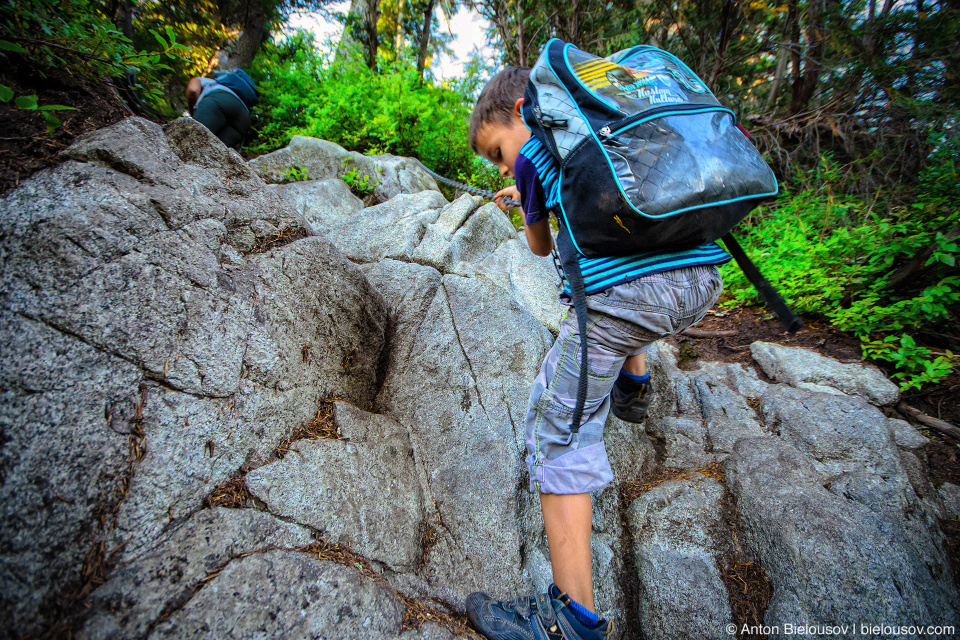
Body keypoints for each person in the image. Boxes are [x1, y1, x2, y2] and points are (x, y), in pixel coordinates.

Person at [464, 66, 730, 640]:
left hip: (627, 300)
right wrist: (530, 188)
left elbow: (538, 246)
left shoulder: (535, 151)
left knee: (553, 430)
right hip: (698, 283)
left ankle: (571, 620)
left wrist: (525, 199)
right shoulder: (607, 129)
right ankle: (634, 384)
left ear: (519, 109)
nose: (505, 166)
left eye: (498, 153)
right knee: (622, 314)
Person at [185, 73, 253, 148]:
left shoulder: (205, 80)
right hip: (244, 119)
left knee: (190, 142)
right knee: (214, 153)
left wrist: (193, 112)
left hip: (217, 102)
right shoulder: (241, 93)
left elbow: (193, 90)